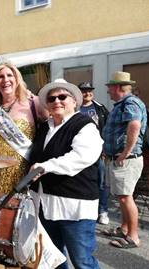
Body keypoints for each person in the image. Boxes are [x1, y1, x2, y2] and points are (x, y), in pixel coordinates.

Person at [30, 78, 103, 269]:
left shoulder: (85, 125)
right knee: (54, 259)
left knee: (82, 261)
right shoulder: (45, 127)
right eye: (52, 98)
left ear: (74, 101)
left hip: (74, 207)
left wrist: (46, 166)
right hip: (46, 205)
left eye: (62, 96)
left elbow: (82, 156)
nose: (56, 101)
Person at [0, 62, 47, 193]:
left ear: (17, 79)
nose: (5, 80)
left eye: (10, 75)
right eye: (0, 76)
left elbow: (53, 129)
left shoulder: (33, 102)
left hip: (23, 175)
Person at [102, 71, 146, 249]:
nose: (108, 91)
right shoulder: (123, 103)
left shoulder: (130, 102)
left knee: (126, 198)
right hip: (121, 159)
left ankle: (133, 237)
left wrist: (125, 152)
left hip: (126, 160)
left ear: (118, 87)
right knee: (122, 197)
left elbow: (134, 124)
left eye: (110, 87)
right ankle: (124, 229)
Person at [78, 81, 110, 225]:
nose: (87, 93)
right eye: (84, 91)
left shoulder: (100, 108)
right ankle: (84, 211)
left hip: (99, 152)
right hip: (79, 152)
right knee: (81, 181)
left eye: (90, 90)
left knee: (101, 182)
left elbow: (108, 128)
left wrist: (105, 148)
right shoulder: (74, 108)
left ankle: (102, 211)